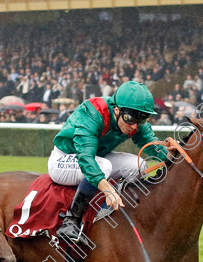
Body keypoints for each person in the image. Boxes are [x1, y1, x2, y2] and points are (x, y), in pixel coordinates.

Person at [49, 81, 168, 242]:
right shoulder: (94, 112)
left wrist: (177, 155)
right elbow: (85, 158)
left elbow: (153, 147)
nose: (134, 126)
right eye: (129, 119)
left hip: (99, 158)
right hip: (63, 159)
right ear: (117, 110)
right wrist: (108, 189)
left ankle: (119, 216)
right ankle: (71, 221)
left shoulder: (133, 120)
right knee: (102, 166)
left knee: (139, 165)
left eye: (141, 121)